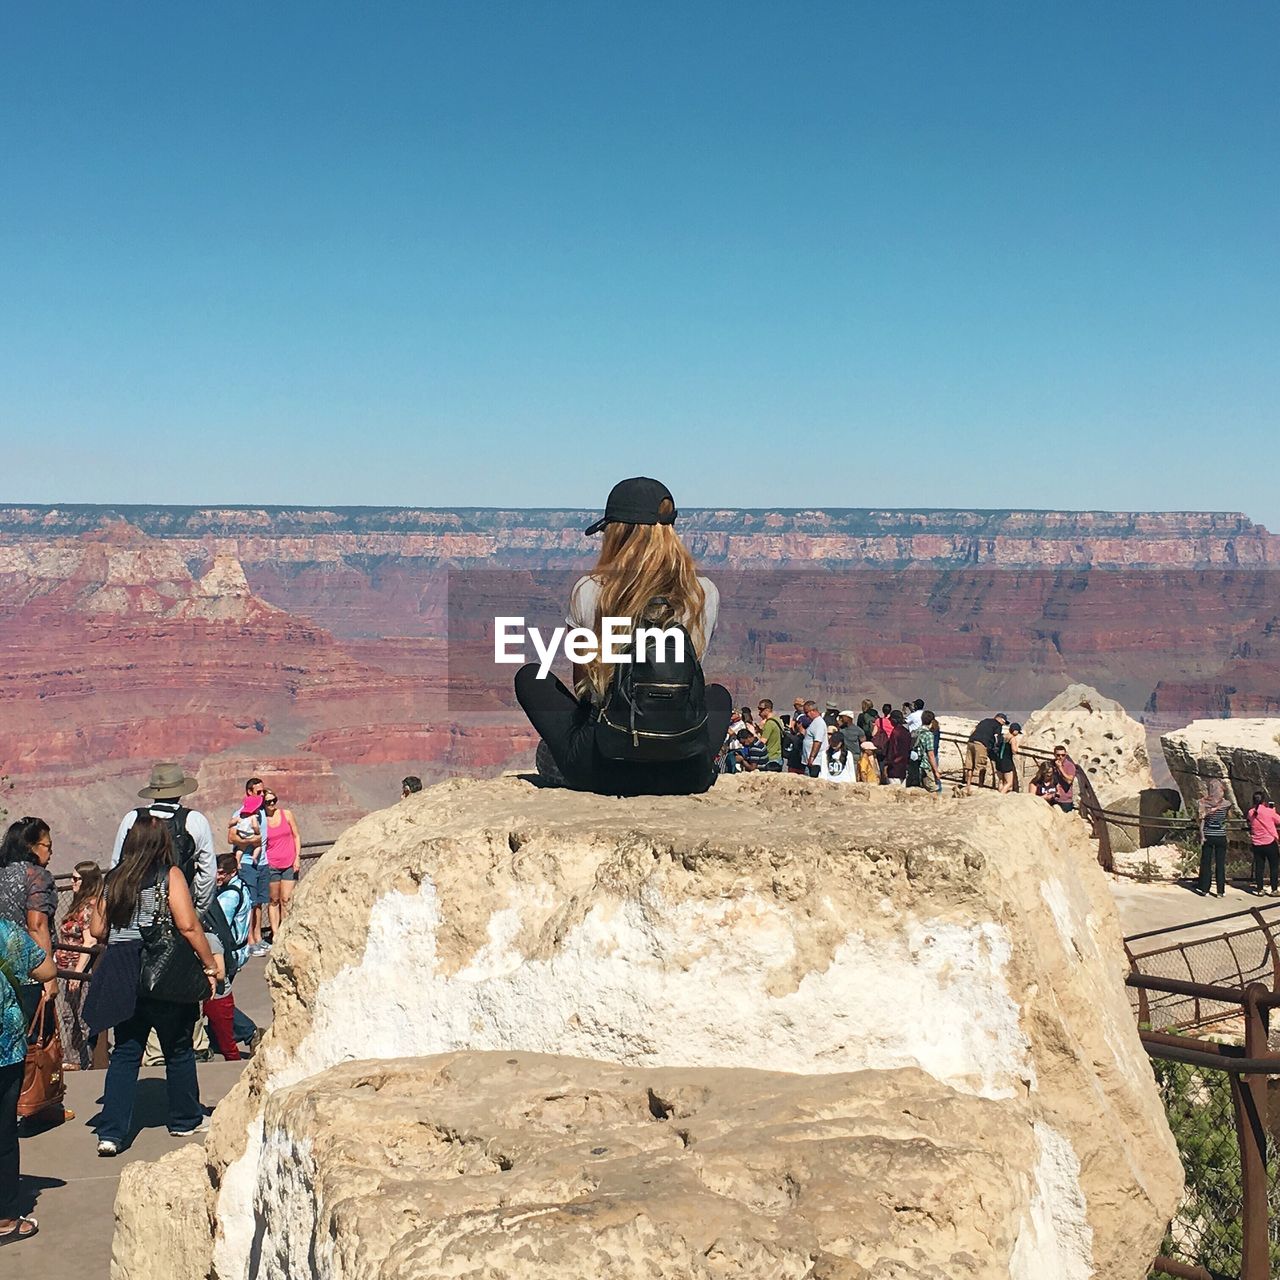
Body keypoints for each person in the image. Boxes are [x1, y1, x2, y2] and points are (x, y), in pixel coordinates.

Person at [514, 477, 732, 797]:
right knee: (718, 696)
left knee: (530, 677)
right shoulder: (704, 594)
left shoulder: (590, 591)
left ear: (616, 532)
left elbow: (583, 688)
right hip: (684, 773)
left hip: (604, 769)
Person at [91, 815, 218, 1156]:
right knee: (177, 1047)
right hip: (161, 971)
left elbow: (98, 929)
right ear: (163, 843)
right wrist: (209, 965)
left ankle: (111, 1133)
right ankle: (184, 1119)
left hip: (122, 971)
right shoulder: (169, 875)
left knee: (126, 1052)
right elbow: (188, 925)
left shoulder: (113, 879)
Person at [0, 914, 57, 1244]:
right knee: (3, 1135)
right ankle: (6, 1219)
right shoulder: (4, 931)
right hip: (4, 1051)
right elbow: (46, 969)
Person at [111, 763, 216, 911]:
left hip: (133, 906)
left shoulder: (132, 818)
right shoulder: (194, 820)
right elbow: (208, 873)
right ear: (180, 791)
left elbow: (116, 864)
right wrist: (197, 911)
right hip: (177, 907)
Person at [0, 818, 58, 1020]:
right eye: (47, 846)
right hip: (28, 974)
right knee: (31, 1041)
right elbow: (37, 925)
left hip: (2, 970)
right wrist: (49, 977)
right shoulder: (37, 876)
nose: (50, 853)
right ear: (31, 846)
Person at [203, 855, 259, 1060]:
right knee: (218, 999)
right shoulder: (240, 887)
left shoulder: (228, 897)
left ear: (232, 873)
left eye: (221, 873)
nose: (217, 876)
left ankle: (248, 1031)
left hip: (228, 953)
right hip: (238, 949)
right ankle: (219, 1037)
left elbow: (219, 927)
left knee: (219, 998)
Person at [56, 861, 104, 1070]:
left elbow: (89, 941)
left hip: (79, 970)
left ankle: (81, 1059)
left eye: (76, 879)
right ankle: (71, 1056)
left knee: (79, 1015)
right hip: (66, 968)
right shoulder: (77, 904)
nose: (72, 883)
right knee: (68, 1014)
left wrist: (77, 973)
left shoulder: (88, 908)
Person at [227, 779, 269, 957]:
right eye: (258, 792)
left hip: (262, 862)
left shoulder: (262, 812)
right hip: (246, 862)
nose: (262, 795)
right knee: (250, 903)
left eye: (263, 791)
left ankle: (258, 937)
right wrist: (252, 841)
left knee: (259, 902)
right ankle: (250, 941)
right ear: (249, 793)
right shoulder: (242, 813)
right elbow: (231, 838)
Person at [263, 792, 302, 938]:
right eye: (268, 802)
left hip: (289, 863)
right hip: (271, 865)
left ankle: (285, 932)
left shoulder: (287, 814)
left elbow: (296, 835)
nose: (272, 804)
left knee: (286, 899)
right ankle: (275, 933)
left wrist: (297, 857)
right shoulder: (262, 820)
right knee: (274, 900)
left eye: (274, 800)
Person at [1197, 779, 1232, 898]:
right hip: (1221, 835)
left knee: (1207, 863)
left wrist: (1202, 836)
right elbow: (1227, 817)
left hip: (1208, 835)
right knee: (1220, 864)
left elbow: (1201, 820)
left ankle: (1205, 889)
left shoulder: (1202, 803)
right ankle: (1220, 891)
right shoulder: (1226, 804)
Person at [1246, 792, 1280, 897]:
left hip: (1257, 843)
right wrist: (1273, 811)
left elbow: (1250, 820)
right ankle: (1274, 889)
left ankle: (1260, 889)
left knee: (1259, 867)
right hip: (1269, 842)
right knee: (1274, 866)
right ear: (1263, 801)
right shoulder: (1268, 812)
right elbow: (1278, 821)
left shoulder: (1251, 812)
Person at [964, 714, 1009, 793]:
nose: (1003, 724)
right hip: (981, 744)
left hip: (971, 741)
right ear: (1001, 719)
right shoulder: (997, 725)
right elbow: (996, 738)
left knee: (970, 765)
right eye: (1004, 722)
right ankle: (980, 786)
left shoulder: (984, 721)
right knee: (981, 765)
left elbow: (974, 730)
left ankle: (968, 785)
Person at [914, 711, 942, 793]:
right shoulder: (928, 735)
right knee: (934, 789)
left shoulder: (917, 731)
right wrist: (936, 771)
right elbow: (931, 754)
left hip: (916, 762)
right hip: (925, 764)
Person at [884, 710, 913, 786]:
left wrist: (886, 764)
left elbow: (892, 749)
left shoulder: (895, 732)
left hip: (894, 767)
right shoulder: (906, 732)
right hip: (904, 767)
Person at [801, 700, 828, 778]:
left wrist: (812, 757)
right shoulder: (814, 722)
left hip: (815, 762)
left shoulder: (819, 723)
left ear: (813, 711)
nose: (806, 715)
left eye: (807, 713)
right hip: (809, 761)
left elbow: (817, 742)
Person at [755, 700, 784, 772]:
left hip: (770, 758)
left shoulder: (769, 723)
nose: (759, 712)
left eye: (761, 709)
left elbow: (762, 742)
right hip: (778, 757)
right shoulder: (778, 720)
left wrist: (754, 734)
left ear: (767, 710)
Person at [994, 723, 1022, 794]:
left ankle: (999, 792)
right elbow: (1014, 750)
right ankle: (1001, 795)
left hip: (999, 760)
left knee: (1001, 780)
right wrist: (1016, 746)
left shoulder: (1003, 736)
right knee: (1009, 782)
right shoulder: (1012, 739)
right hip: (1006, 761)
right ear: (1015, 731)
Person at [1050, 745, 1077, 813]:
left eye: (1063, 755)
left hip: (1065, 801)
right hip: (1053, 798)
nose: (1060, 757)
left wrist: (1060, 768)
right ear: (1054, 755)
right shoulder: (1051, 764)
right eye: (1058, 755)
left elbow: (1069, 781)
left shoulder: (1070, 765)